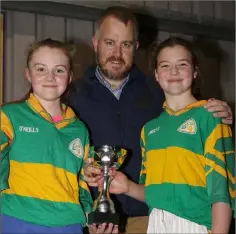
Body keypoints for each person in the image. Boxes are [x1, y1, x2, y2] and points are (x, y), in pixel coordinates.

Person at [68, 6, 234, 233]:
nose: (117, 53)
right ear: (95, 42)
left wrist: (223, 110)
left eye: (126, 44)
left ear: (136, 47)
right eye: (110, 43)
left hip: (149, 220)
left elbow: (194, 128)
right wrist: (83, 178)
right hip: (98, 222)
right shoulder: (70, 95)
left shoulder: (157, 91)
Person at [0, 38, 116, 234]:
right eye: (41, 69)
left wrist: (90, 216)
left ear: (70, 77)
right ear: (28, 74)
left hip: (68, 224)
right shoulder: (9, 116)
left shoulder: (79, 129)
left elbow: (81, 181)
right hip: (17, 219)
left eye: (59, 70)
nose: (50, 77)